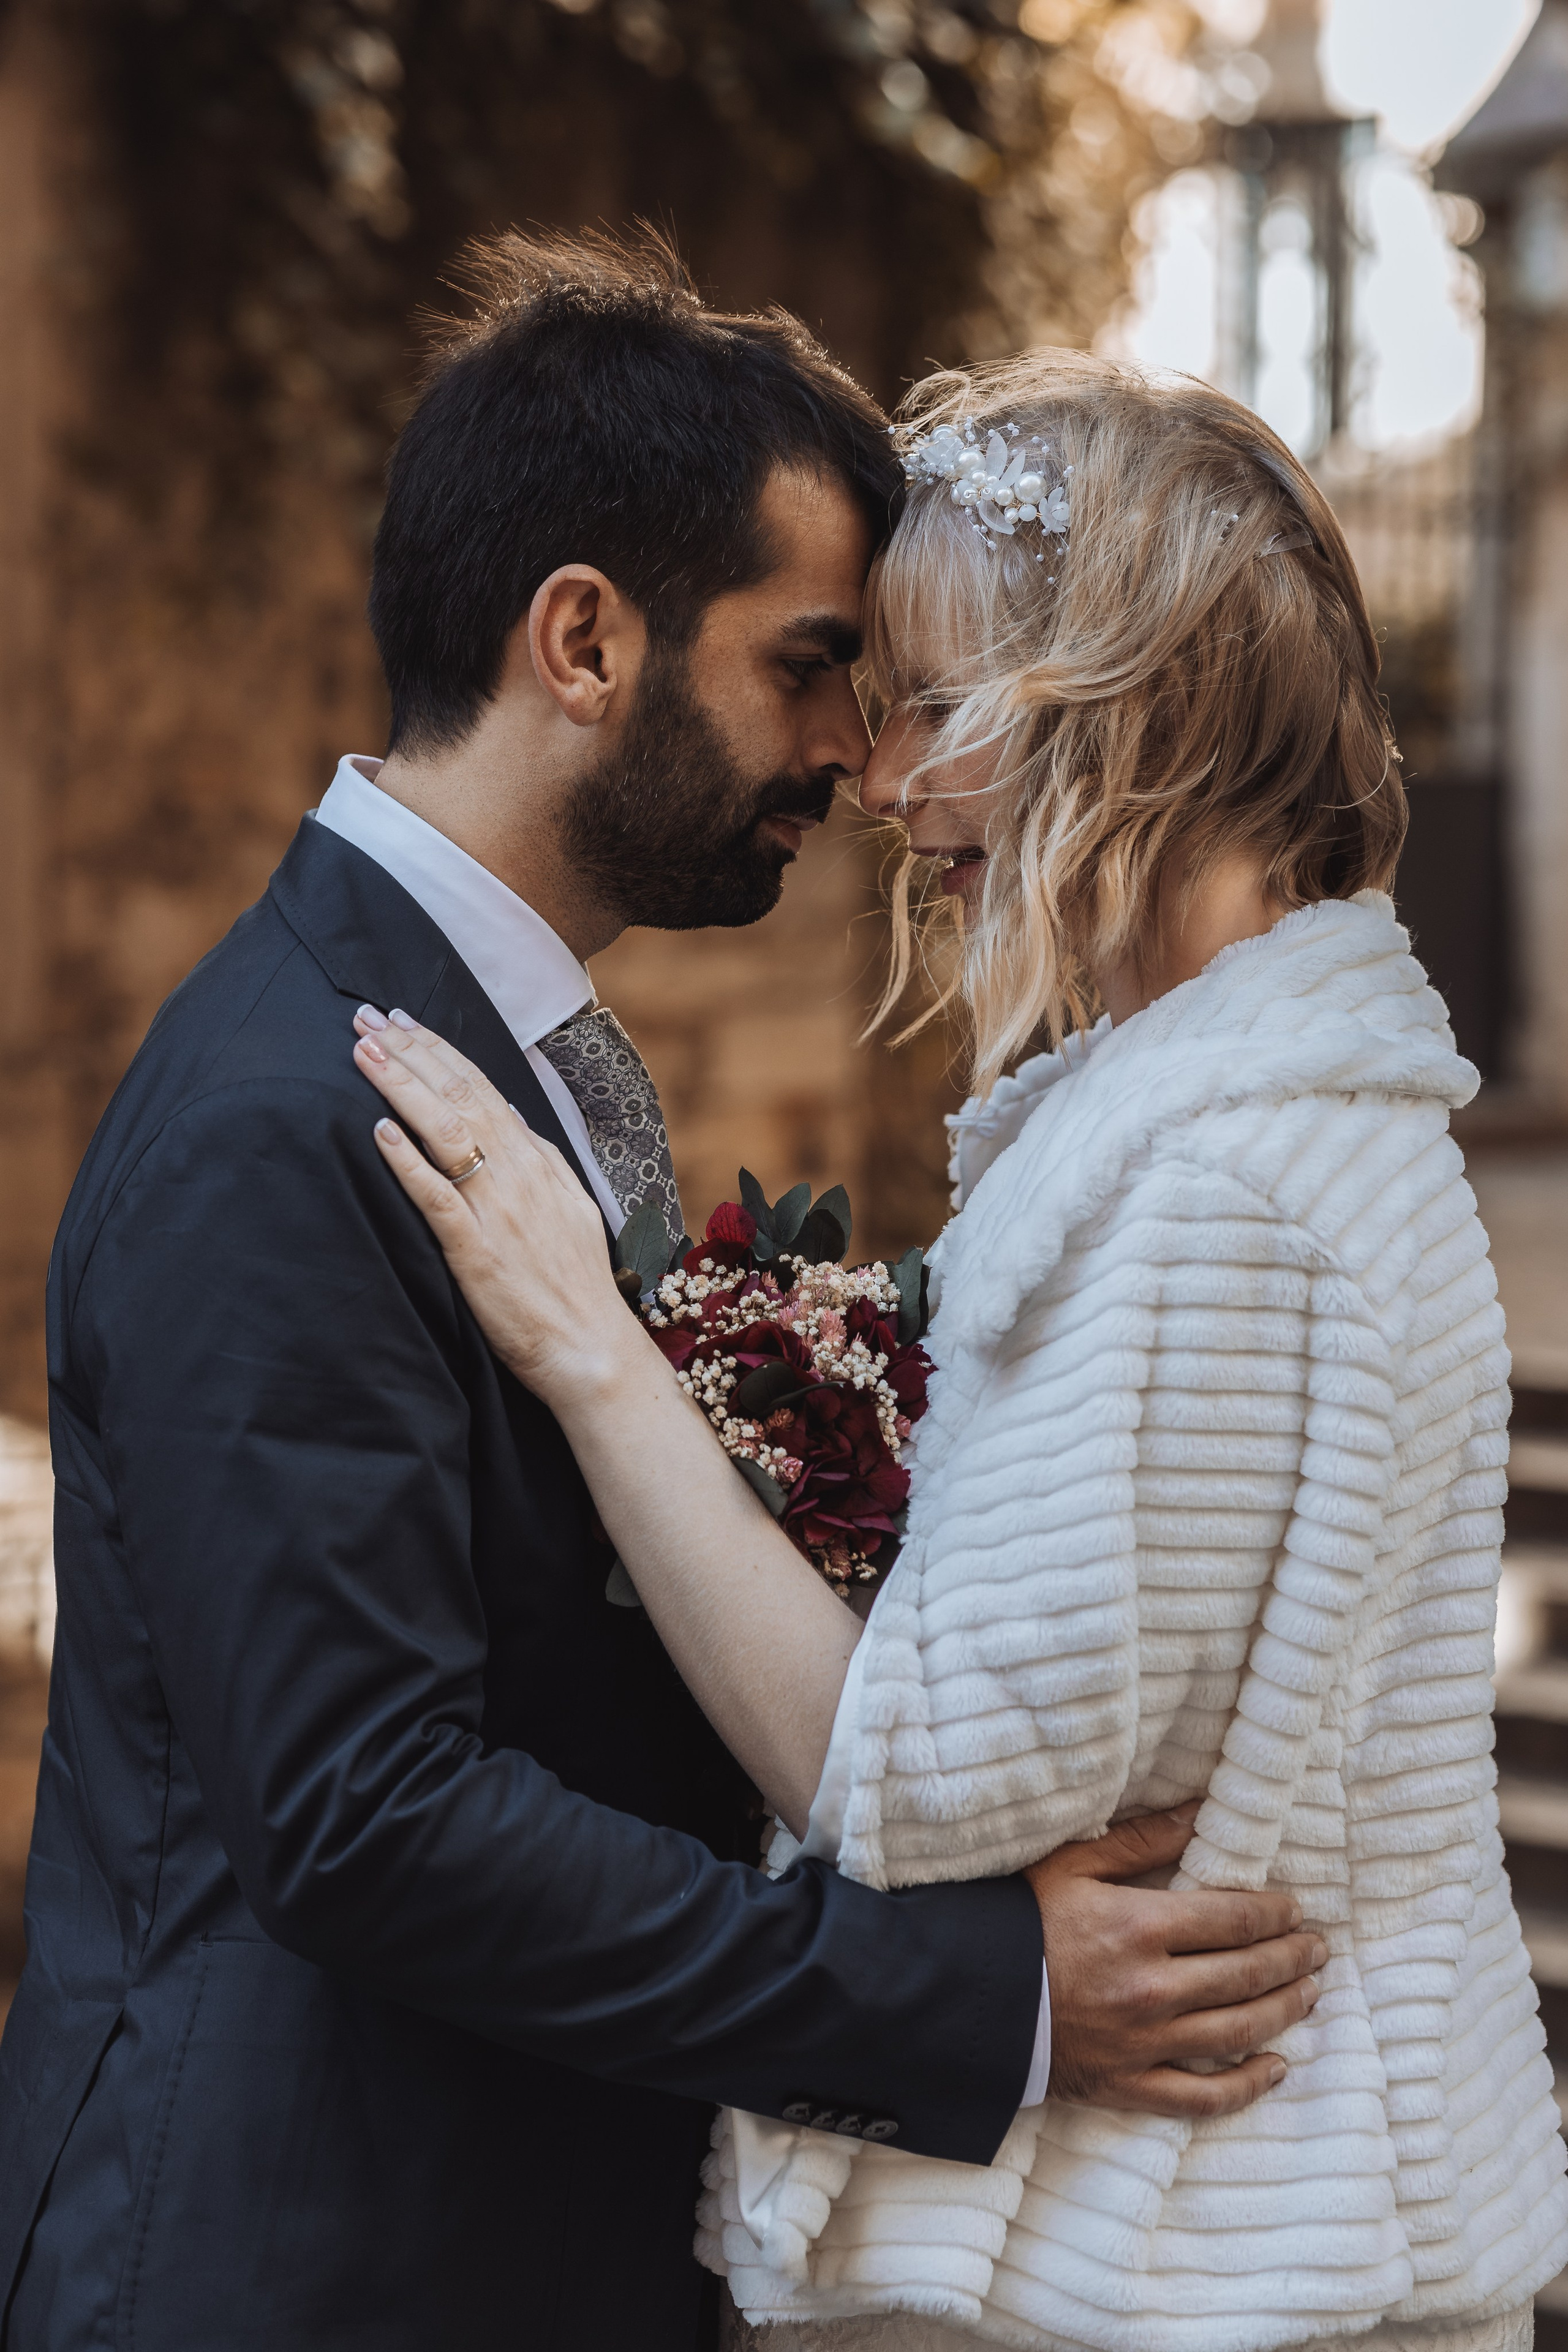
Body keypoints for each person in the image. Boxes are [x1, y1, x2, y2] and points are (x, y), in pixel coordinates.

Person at [0, 241, 1322, 2352]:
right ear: (586, 642)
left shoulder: (485, 1042)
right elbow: (366, 1818)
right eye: (811, 666)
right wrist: (973, 1997)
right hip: (316, 2265)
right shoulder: (284, 1114)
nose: (859, 758)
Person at [348, 347, 1568, 2352]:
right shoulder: (1256, 1126)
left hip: (1165, 2272)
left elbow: (905, 1781)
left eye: (934, 703)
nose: (883, 778)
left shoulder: (1213, 1187)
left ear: (1129, 706)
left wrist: (592, 1352)